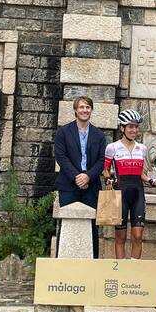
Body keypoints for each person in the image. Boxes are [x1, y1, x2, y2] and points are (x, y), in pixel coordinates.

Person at [54, 96, 106, 258]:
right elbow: (61, 156)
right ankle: (63, 263)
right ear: (75, 110)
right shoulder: (63, 132)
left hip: (91, 186)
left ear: (91, 110)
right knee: (66, 224)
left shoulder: (99, 135)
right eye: (82, 107)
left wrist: (88, 176)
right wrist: (77, 177)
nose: (85, 110)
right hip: (68, 185)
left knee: (92, 227)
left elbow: (102, 160)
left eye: (88, 107)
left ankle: (92, 263)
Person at [103, 110, 151, 260]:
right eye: (130, 127)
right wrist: (108, 178)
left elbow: (142, 174)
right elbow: (105, 170)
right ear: (122, 128)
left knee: (137, 236)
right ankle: (121, 269)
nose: (134, 130)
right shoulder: (112, 148)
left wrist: (151, 180)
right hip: (120, 194)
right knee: (120, 237)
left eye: (136, 127)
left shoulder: (142, 148)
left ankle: (134, 269)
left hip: (138, 193)